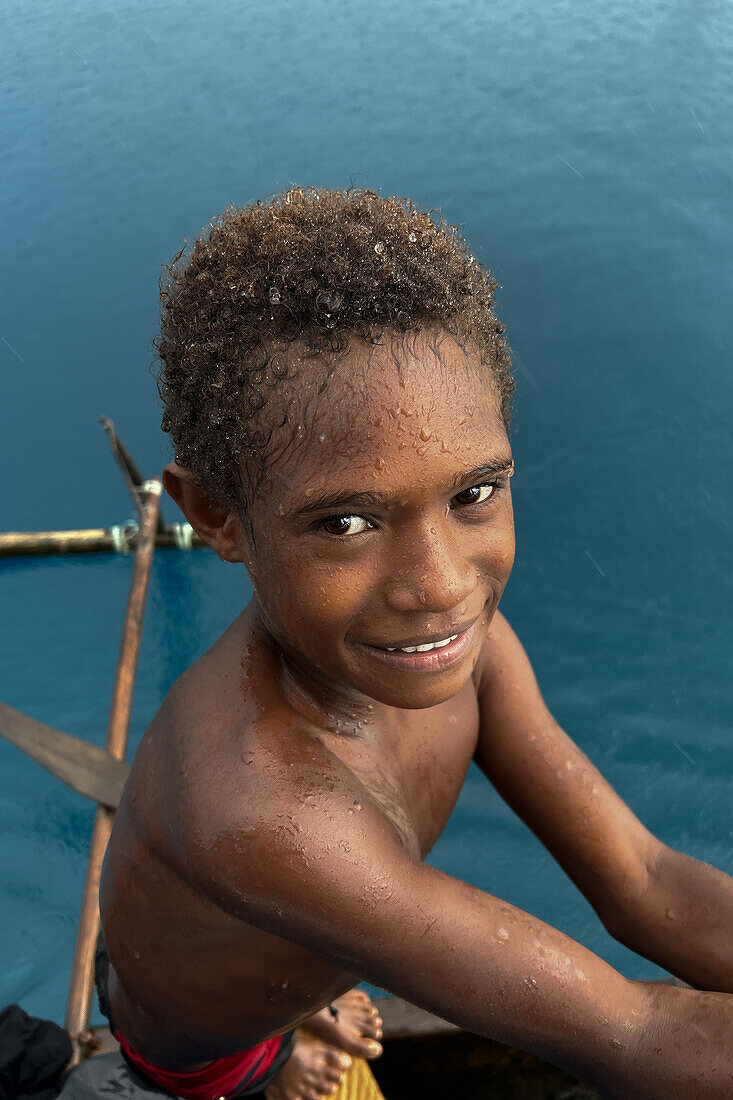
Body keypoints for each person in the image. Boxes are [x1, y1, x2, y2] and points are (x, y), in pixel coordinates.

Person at [99, 187, 733, 1099]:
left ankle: (306, 1008)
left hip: (303, 928)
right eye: (346, 521)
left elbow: (642, 879)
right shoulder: (257, 810)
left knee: (322, 931)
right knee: (217, 1051)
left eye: (473, 493)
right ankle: (277, 1053)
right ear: (216, 517)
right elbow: (629, 1034)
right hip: (196, 1060)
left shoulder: (461, 649)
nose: (439, 586)